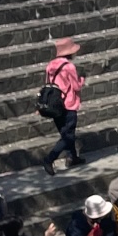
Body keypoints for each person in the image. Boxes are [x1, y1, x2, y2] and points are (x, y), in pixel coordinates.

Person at [43, 37, 86, 175]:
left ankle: (72, 157)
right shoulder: (69, 67)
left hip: (55, 105)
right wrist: (82, 79)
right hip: (68, 104)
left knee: (65, 133)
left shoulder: (50, 65)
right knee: (68, 136)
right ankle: (49, 159)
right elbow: (76, 86)